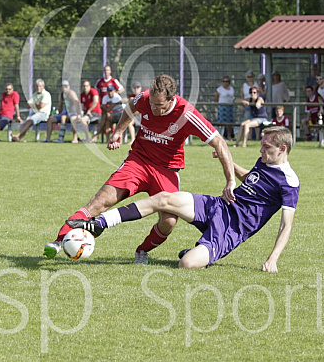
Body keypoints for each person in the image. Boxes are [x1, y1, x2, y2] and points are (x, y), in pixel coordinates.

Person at [46, 74, 236, 265]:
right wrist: (119, 132)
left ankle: (142, 250)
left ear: (172, 99)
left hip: (166, 171)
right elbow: (130, 108)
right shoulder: (144, 98)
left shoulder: (186, 113)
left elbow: (219, 142)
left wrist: (230, 181)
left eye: (159, 105)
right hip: (138, 161)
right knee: (100, 202)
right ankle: (60, 240)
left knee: (169, 222)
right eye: (151, 103)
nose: (153, 108)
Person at [68, 126, 299, 271]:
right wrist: (227, 161)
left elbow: (286, 226)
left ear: (283, 149)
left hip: (231, 229)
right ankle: (100, 223)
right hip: (219, 205)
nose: (261, 151)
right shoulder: (265, 161)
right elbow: (252, 179)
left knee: (186, 264)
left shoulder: (289, 182)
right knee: (165, 198)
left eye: (266, 147)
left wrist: (273, 259)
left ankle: (195, 253)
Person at [216, 75, 236, 140]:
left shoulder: (231, 89)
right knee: (221, 122)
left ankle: (229, 136)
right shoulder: (219, 89)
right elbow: (216, 98)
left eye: (227, 81)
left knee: (229, 123)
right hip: (222, 107)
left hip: (230, 107)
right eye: (224, 81)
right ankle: (219, 136)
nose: (225, 83)